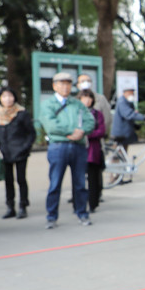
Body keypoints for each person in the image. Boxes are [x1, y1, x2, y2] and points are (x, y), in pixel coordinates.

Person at [40, 72, 94, 228]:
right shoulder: (48, 104)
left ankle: (82, 213)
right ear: (54, 86)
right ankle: (51, 216)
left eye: (68, 83)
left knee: (80, 183)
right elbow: (50, 125)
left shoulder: (77, 104)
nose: (65, 87)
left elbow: (90, 121)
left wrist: (82, 131)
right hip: (58, 147)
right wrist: (71, 131)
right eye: (61, 83)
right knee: (55, 182)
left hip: (78, 147)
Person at [0, 87, 36, 219]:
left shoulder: (21, 113)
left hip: (20, 151)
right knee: (8, 181)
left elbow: (31, 133)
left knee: (21, 179)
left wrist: (25, 147)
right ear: (0, 98)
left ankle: (23, 206)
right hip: (4, 153)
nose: (7, 99)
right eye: (4, 96)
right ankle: (10, 207)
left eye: (10, 96)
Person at [79, 89, 106, 212]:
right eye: (84, 97)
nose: (87, 100)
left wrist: (85, 134)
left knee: (93, 178)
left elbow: (101, 130)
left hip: (93, 150)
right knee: (78, 178)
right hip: (78, 149)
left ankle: (93, 202)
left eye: (90, 97)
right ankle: (78, 203)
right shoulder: (75, 113)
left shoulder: (97, 114)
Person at [77, 73, 113, 139]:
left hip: (96, 139)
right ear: (78, 85)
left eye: (88, 81)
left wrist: (99, 132)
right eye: (83, 81)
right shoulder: (74, 100)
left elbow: (107, 118)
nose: (86, 83)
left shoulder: (100, 98)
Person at [111, 86, 145, 153]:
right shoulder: (122, 101)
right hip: (121, 133)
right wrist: (142, 117)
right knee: (118, 155)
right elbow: (128, 114)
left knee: (123, 154)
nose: (132, 95)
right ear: (125, 93)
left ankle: (123, 162)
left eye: (133, 94)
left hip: (124, 133)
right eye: (130, 93)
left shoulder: (127, 101)